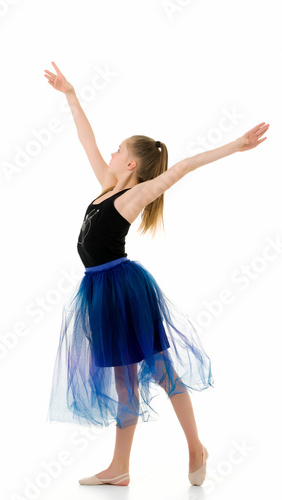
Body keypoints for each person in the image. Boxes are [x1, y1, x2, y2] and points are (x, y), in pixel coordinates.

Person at [44, 61, 269, 487]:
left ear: (131, 164)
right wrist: (71, 94)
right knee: (124, 380)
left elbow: (182, 166)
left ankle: (195, 446)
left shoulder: (133, 195)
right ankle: (120, 468)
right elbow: (86, 140)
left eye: (117, 151)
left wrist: (234, 145)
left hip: (123, 290)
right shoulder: (106, 188)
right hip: (99, 290)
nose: (109, 154)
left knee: (161, 370)